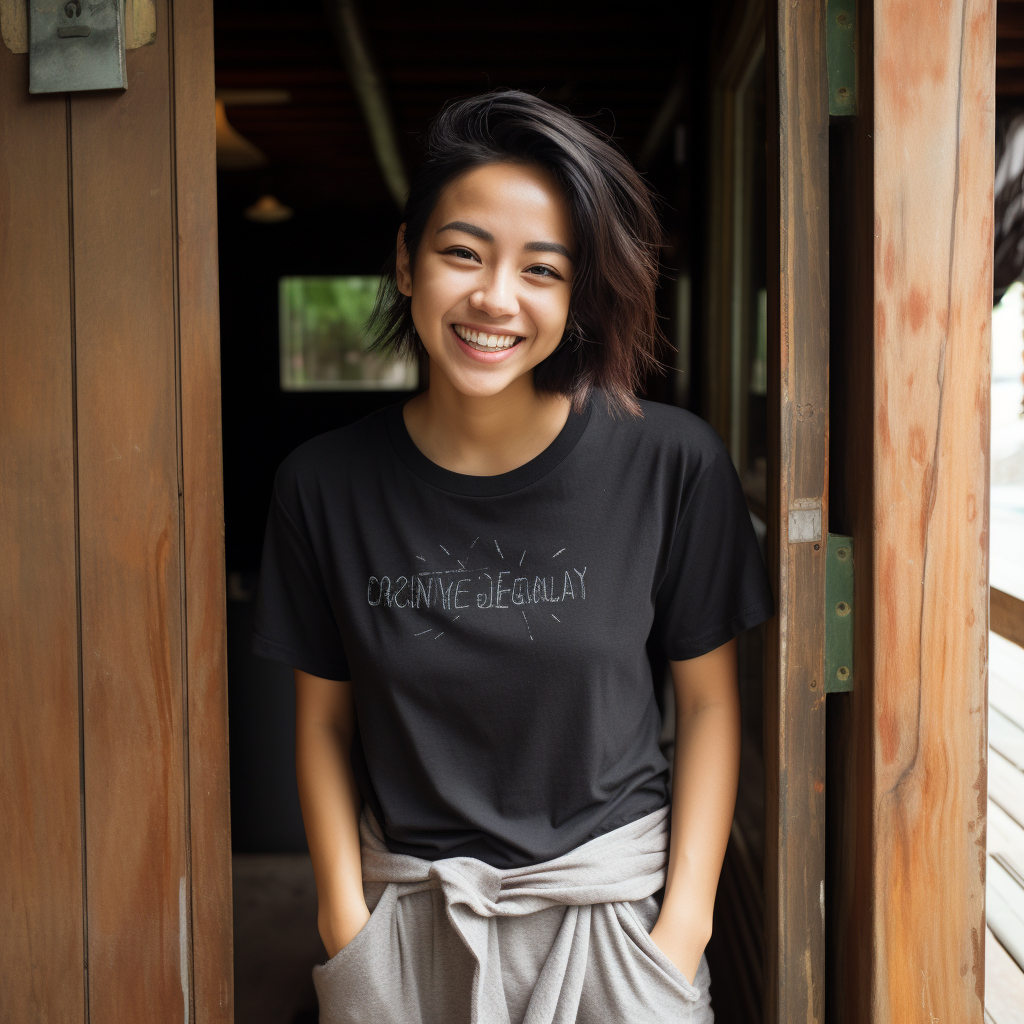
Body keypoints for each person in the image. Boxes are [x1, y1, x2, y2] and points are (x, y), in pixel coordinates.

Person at [252, 89, 775, 1024]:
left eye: (542, 269)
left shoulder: (669, 463)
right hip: (409, 927)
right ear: (408, 261)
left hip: (611, 925)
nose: (496, 297)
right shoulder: (322, 485)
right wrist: (345, 921)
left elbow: (705, 705)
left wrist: (681, 931)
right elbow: (324, 724)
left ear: (575, 298)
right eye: (463, 253)